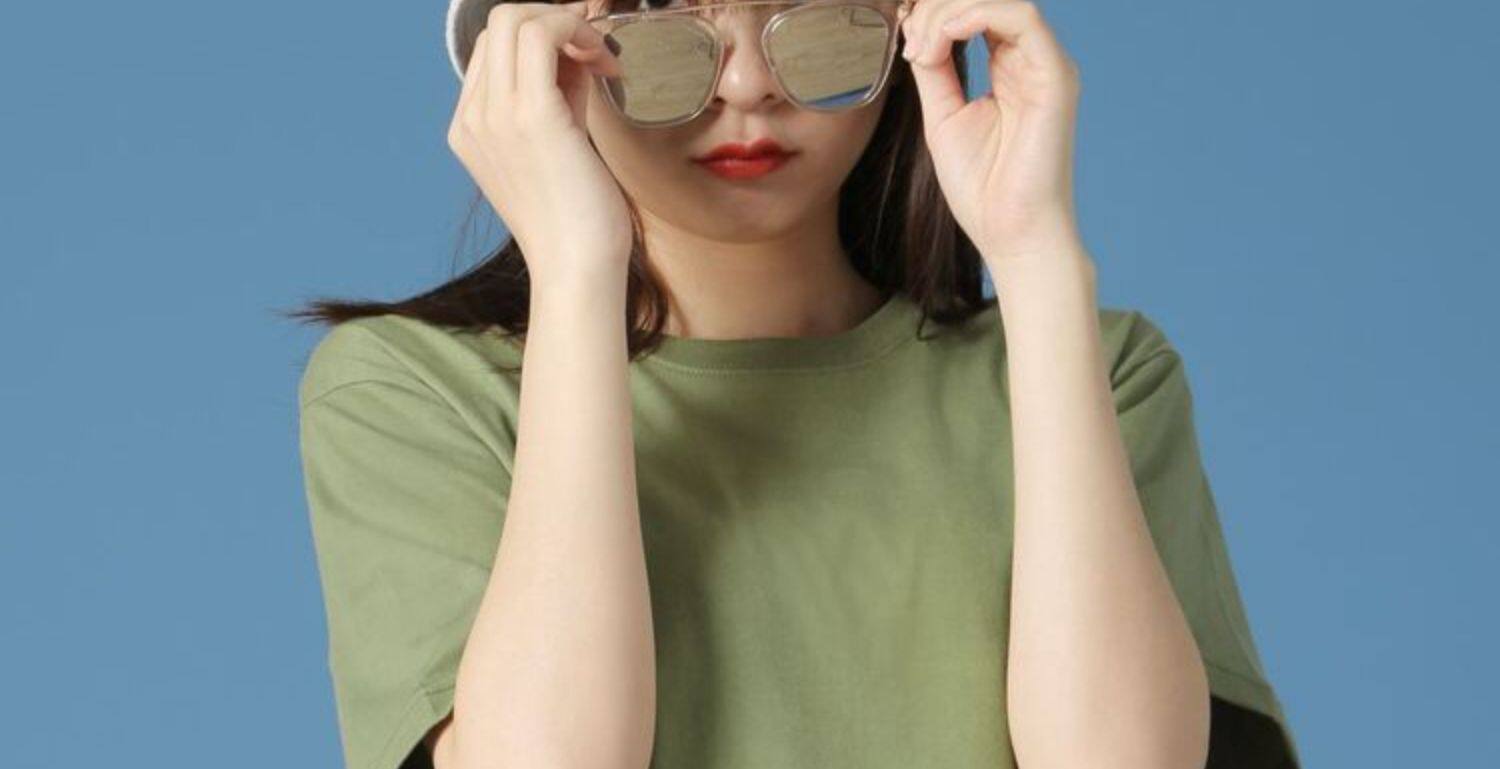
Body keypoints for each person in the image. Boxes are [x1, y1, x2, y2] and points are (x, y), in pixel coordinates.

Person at [291, 0, 1303, 767]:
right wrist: (576, 270)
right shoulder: (416, 392)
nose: (746, 85)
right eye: (660, 18)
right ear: (535, 51)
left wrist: (1037, 258)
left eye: (810, 13)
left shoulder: (1098, 369)